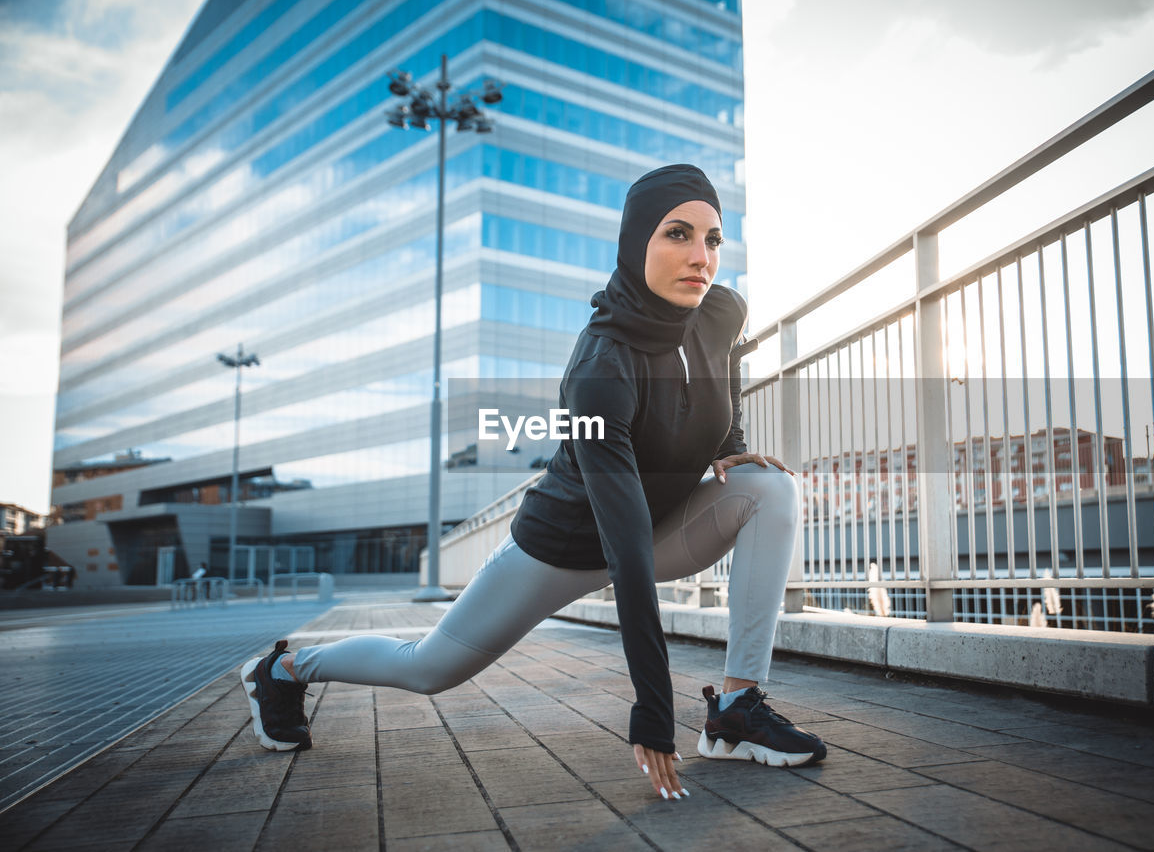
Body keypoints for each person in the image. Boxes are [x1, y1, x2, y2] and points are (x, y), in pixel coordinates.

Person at [240, 164, 826, 801]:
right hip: (564, 547)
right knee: (429, 667)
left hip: (659, 527)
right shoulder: (602, 369)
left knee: (771, 490)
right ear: (636, 245)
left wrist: (732, 448)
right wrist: (653, 711)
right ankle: (287, 668)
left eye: (713, 239)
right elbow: (624, 551)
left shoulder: (719, 311)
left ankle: (736, 713)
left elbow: (721, 378)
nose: (700, 257)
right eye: (677, 235)